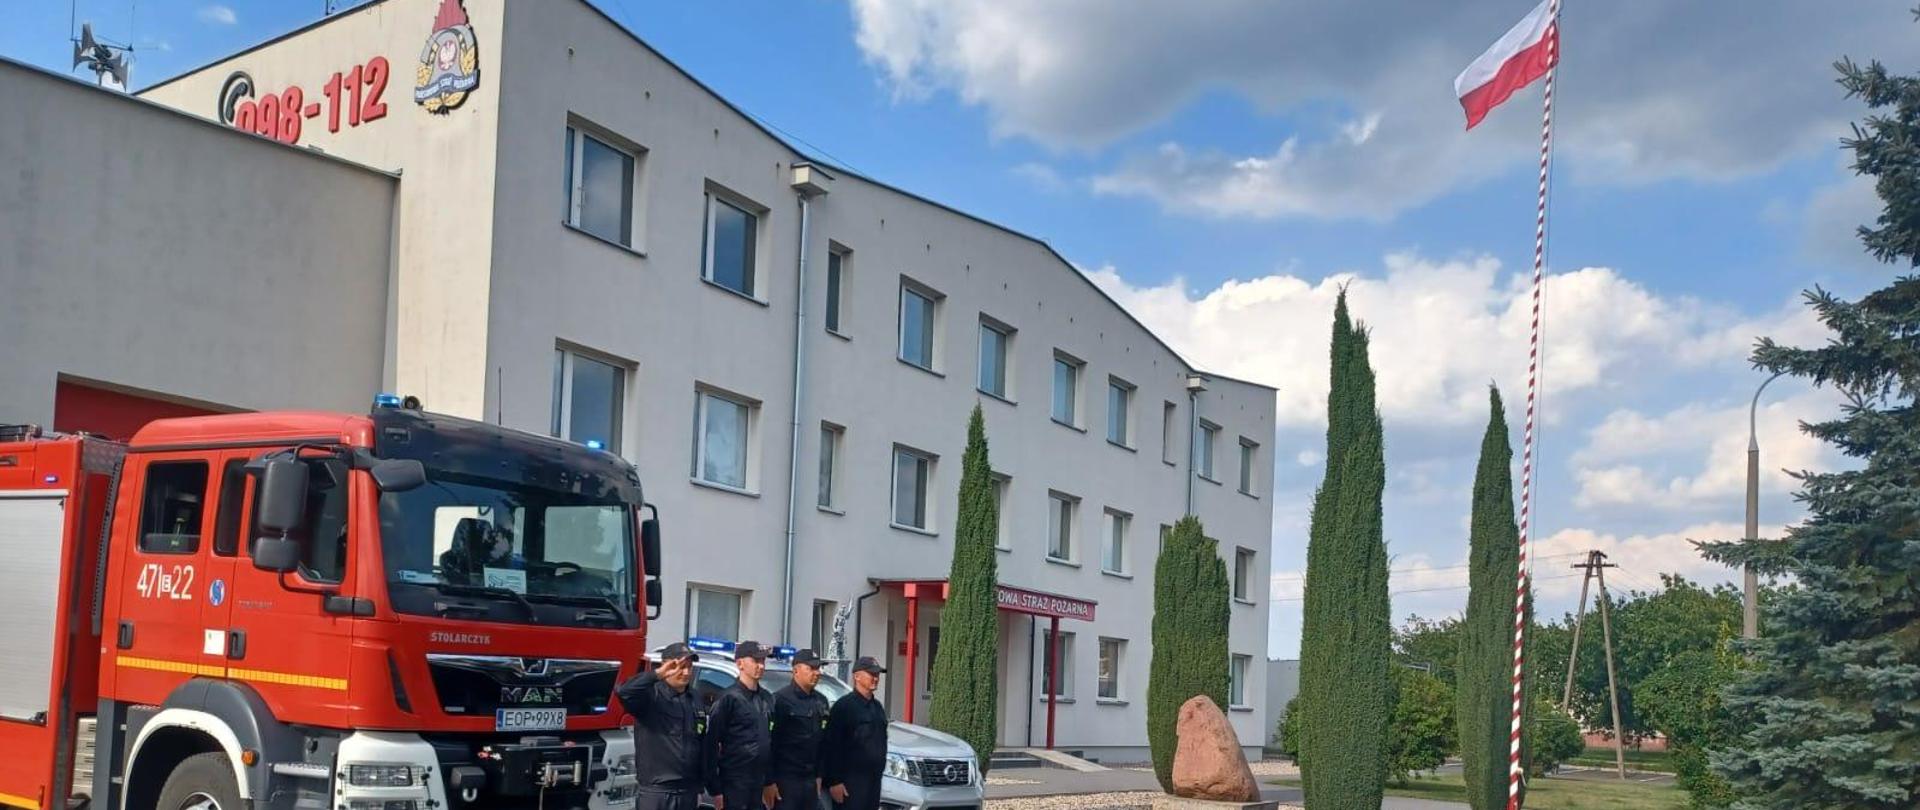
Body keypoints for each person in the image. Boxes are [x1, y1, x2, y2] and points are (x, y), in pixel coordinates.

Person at [615, 643, 707, 810]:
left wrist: (700, 787)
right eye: (680, 667)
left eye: (690, 667)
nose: (686, 673)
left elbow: (700, 743)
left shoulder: (694, 698)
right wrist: (657, 674)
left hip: (688, 792)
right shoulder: (651, 695)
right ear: (666, 665)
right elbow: (624, 692)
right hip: (657, 793)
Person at [706, 641, 776, 810]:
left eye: (763, 661)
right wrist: (715, 790)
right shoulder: (728, 699)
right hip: (734, 782)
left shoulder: (767, 698)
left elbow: (770, 742)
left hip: (758, 783)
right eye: (755, 661)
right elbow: (710, 746)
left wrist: (769, 781)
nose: (760, 666)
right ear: (740, 664)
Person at [821, 657, 889, 810]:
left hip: (873, 781)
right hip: (850, 782)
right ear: (857, 676)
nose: (876, 678)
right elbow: (832, 746)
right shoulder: (844, 707)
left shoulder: (877, 707)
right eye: (871, 674)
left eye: (877, 675)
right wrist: (834, 781)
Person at [767, 649, 831, 810]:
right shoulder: (780, 700)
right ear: (796, 670)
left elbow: (823, 743)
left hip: (810, 782)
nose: (817, 673)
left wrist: (818, 776)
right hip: (786, 781)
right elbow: (769, 744)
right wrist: (769, 782)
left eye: (818, 668)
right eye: (812, 668)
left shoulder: (821, 702)